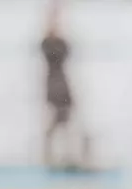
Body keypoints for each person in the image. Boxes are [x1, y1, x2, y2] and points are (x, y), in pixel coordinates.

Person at [41, 1, 86, 171]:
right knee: (58, 121)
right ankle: (53, 155)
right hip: (55, 85)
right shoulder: (48, 44)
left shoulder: (57, 43)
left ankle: (67, 154)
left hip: (62, 84)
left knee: (65, 121)